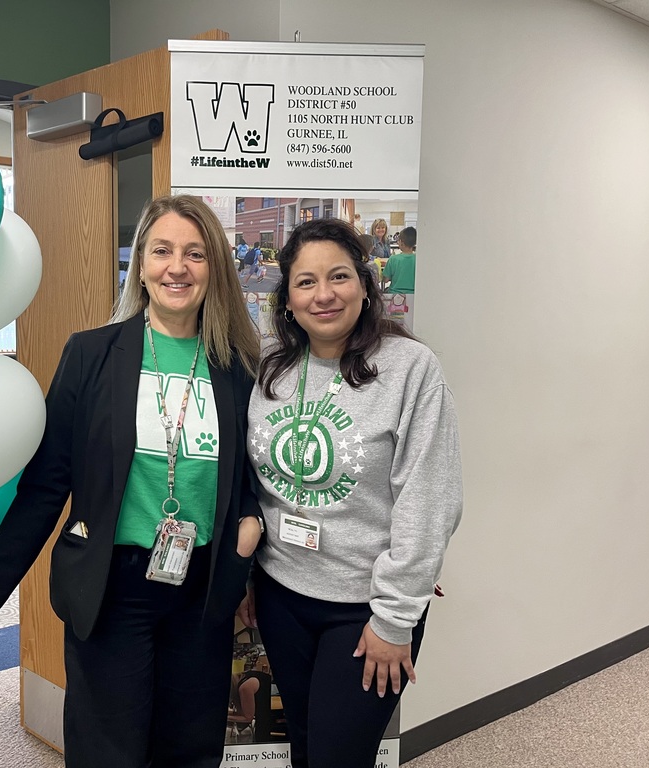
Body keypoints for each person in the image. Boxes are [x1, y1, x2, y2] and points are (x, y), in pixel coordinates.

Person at [0, 194, 265, 768]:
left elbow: (252, 471)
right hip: (112, 588)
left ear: (215, 269)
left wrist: (248, 529)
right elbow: (46, 486)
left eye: (195, 254)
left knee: (190, 750)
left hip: (201, 593)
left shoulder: (238, 366)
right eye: (162, 251)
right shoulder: (91, 355)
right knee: (109, 753)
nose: (177, 267)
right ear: (142, 265)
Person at [239, 218, 462, 768]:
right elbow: (255, 485)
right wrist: (242, 576)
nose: (324, 294)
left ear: (365, 286)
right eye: (306, 282)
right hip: (282, 591)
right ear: (286, 299)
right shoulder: (271, 367)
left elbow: (428, 498)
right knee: (306, 747)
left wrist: (394, 618)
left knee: (341, 758)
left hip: (364, 608)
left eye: (339, 277)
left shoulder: (411, 368)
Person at [383, 226, 417, 331]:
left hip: (396, 297)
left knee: (395, 329)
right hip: (414, 297)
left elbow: (385, 280)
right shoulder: (418, 259)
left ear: (401, 242)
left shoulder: (393, 259)